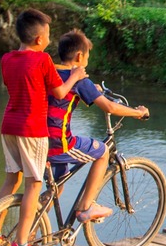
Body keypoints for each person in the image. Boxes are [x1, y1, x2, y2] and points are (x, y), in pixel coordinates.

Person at [0, 9, 84, 246]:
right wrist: (76, 75)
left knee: (11, 179)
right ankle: (22, 243)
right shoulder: (43, 60)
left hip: (8, 126)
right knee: (34, 184)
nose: (48, 40)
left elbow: (15, 85)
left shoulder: (7, 59)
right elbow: (59, 92)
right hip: (32, 129)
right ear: (39, 40)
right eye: (47, 35)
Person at [48, 30, 149, 222]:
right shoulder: (78, 78)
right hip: (59, 143)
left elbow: (66, 90)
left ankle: (31, 234)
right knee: (102, 152)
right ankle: (86, 207)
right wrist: (138, 112)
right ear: (80, 56)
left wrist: (92, 88)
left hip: (38, 139)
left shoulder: (51, 71)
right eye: (87, 56)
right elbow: (110, 107)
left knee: (56, 188)